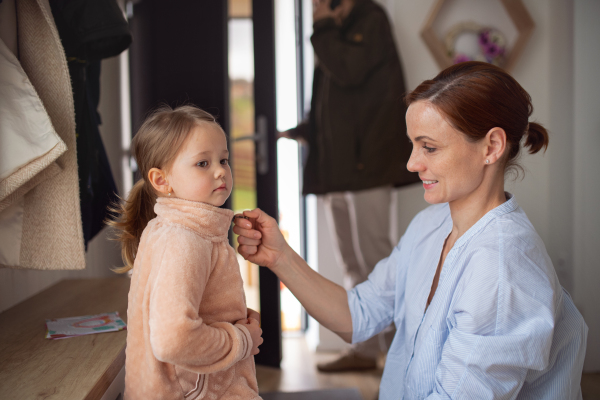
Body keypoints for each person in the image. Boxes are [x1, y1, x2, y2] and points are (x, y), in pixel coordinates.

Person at [234, 62, 588, 399]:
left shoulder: (501, 270)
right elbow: (358, 315)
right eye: (413, 144)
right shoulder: (431, 224)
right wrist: (280, 256)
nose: (412, 163)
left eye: (429, 147)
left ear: (491, 147)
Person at [280, 0, 419, 371]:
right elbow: (336, 101)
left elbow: (349, 70)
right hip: (338, 170)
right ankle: (367, 350)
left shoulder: (369, 19)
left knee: (379, 264)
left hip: (367, 166)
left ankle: (403, 358)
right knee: (353, 265)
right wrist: (302, 131)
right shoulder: (336, 31)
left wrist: (322, 26)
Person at [109, 105, 263, 400]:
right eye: (202, 163)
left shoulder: (178, 231)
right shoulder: (185, 241)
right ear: (162, 181)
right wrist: (241, 340)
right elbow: (173, 339)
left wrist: (238, 318)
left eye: (223, 159)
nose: (220, 171)